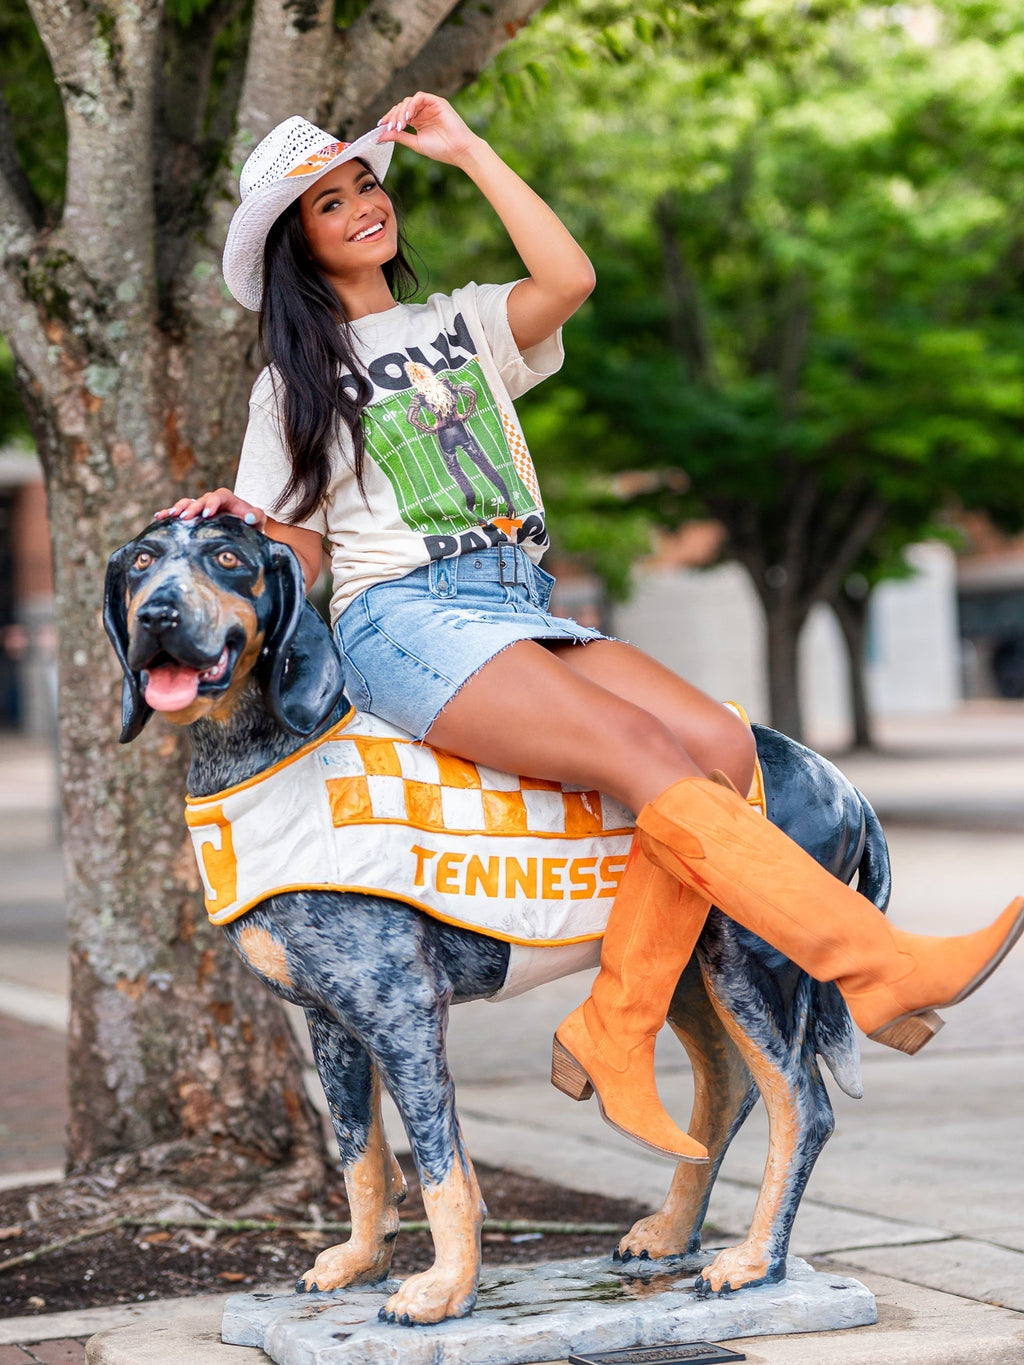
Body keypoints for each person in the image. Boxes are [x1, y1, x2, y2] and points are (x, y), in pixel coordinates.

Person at [157, 92, 1024, 1164]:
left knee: (719, 751)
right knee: (639, 754)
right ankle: (877, 962)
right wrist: (224, 524)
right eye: (330, 204)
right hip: (406, 617)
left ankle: (615, 1027)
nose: (361, 208)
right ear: (300, 244)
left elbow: (571, 279)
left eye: (366, 185)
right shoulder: (293, 382)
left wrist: (468, 150)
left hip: (515, 601)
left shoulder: (460, 324)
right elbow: (298, 551)